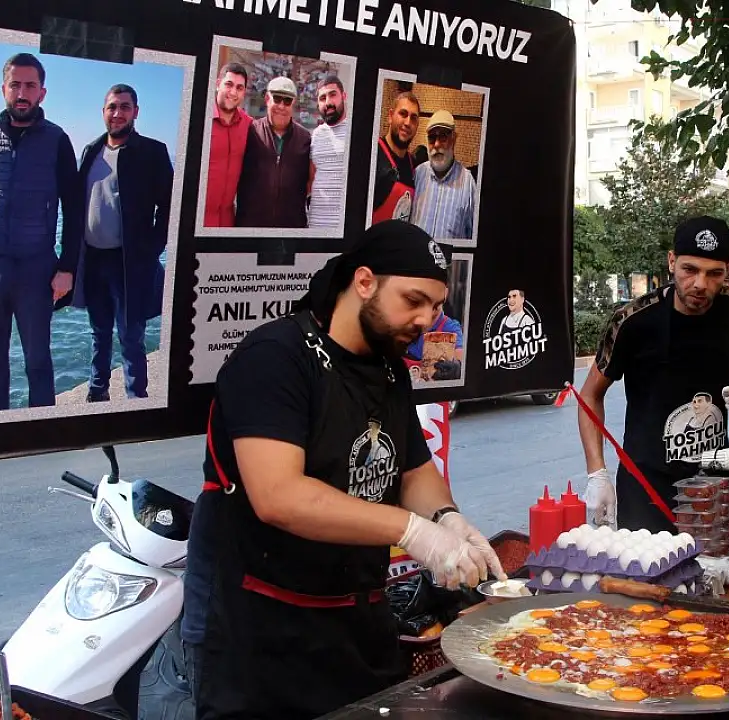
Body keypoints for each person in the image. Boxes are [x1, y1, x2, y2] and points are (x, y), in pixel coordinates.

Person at [181, 220, 506, 719]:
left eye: (436, 306)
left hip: (357, 619)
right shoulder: (275, 358)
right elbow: (279, 496)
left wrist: (447, 519)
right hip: (266, 628)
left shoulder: (389, 366)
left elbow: (412, 468)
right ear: (364, 282)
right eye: (413, 300)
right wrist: (412, 530)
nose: (426, 320)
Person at [577, 216, 729, 531]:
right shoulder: (633, 320)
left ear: (728, 270)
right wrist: (597, 473)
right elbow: (590, 395)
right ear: (671, 262)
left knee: (717, 561)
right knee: (647, 564)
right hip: (646, 486)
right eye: (689, 269)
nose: (700, 284)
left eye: (714, 273)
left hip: (714, 482)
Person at [0, 52, 83, 411]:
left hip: (36, 267)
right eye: (15, 85)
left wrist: (67, 267)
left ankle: (41, 432)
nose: (22, 93)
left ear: (42, 92)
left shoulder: (57, 140)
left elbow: (74, 208)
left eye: (30, 86)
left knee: (37, 361)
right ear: (4, 89)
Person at [66, 84, 172, 402]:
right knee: (99, 333)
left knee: (130, 336)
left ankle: (136, 399)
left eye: (125, 107)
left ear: (135, 112)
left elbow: (170, 207)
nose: (118, 113)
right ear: (103, 112)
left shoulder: (152, 152)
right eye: (112, 107)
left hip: (130, 263)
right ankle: (97, 393)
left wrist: (152, 248)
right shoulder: (90, 151)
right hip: (93, 260)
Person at [237, 76, 311, 228]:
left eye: (287, 101)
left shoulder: (305, 138)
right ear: (267, 99)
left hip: (290, 229)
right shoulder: (250, 132)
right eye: (277, 99)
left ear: (293, 103)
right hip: (251, 226)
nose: (281, 106)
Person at [410, 110, 477, 240]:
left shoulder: (468, 184)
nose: (436, 144)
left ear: (454, 139)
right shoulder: (418, 174)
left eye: (443, 137)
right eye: (432, 138)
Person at [204, 62, 250, 228]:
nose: (233, 92)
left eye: (239, 88)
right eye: (229, 84)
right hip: (197, 219)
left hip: (228, 222)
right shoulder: (199, 118)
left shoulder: (249, 125)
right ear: (218, 84)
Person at [307, 75, 349, 229]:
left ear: (343, 96)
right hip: (315, 226)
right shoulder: (316, 135)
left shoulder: (356, 132)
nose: (328, 102)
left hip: (343, 228)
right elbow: (311, 178)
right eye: (322, 98)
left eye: (333, 95)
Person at [370, 91, 419, 224]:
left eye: (413, 118)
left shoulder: (414, 166)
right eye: (403, 114)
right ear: (390, 116)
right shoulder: (373, 155)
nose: (408, 122)